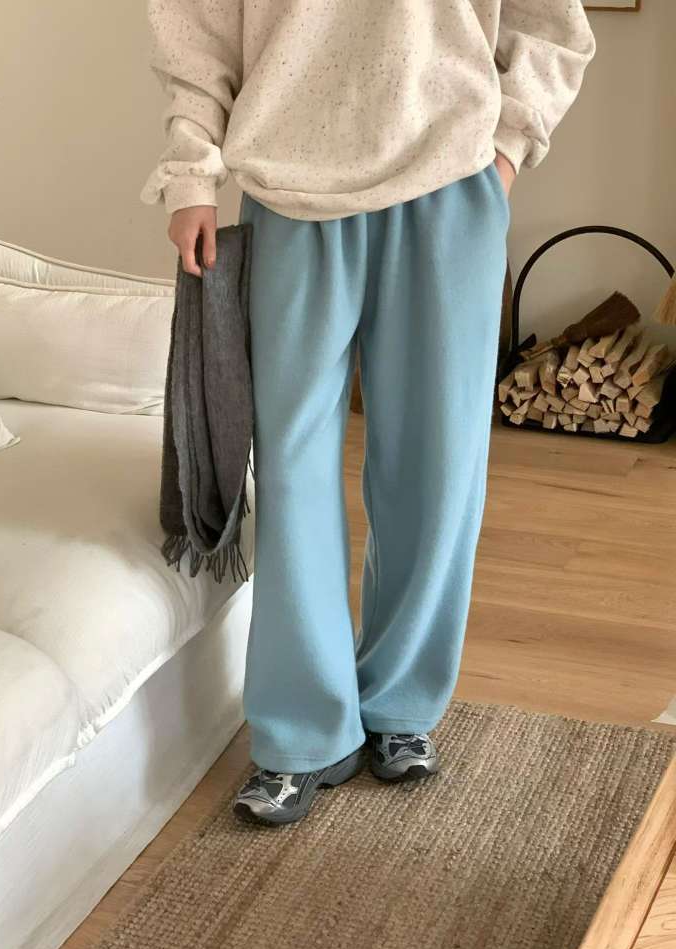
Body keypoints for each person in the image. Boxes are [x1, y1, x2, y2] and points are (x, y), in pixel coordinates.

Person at [141, 0, 596, 826]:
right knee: (291, 471)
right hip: (288, 186)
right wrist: (191, 173)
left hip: (450, 180)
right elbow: (194, 31)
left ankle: (401, 704)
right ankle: (301, 733)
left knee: (438, 465)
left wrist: (506, 147)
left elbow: (553, 22)